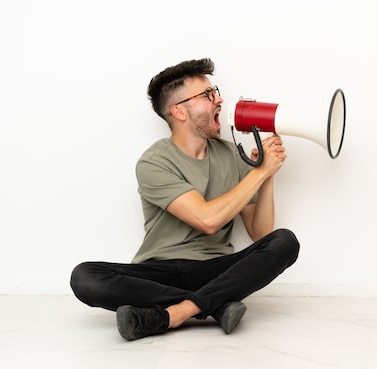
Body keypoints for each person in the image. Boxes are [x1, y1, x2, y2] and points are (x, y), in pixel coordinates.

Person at [70, 58, 300, 341]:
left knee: (284, 242)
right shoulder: (153, 163)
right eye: (208, 95)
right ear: (178, 111)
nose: (220, 99)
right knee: (84, 276)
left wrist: (267, 174)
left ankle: (173, 314)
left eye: (215, 91)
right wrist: (258, 173)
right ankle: (215, 305)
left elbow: (262, 234)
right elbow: (207, 221)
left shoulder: (231, 155)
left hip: (215, 269)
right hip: (157, 271)